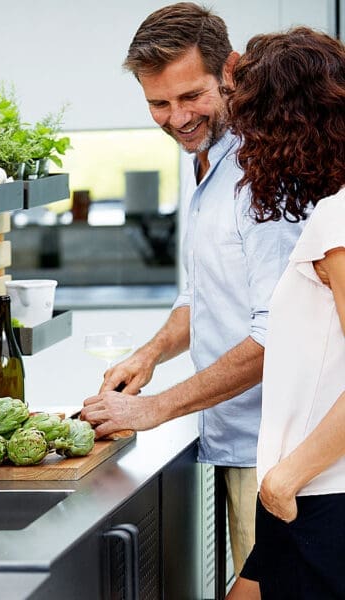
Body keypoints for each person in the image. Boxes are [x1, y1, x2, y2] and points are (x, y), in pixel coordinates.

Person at [80, 2, 304, 575]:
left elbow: (277, 334)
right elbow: (201, 294)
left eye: (191, 96)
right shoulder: (204, 159)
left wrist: (155, 409)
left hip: (279, 455)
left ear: (229, 70)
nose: (177, 117)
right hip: (234, 444)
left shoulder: (263, 173)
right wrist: (150, 354)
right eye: (159, 102)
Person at [223, 27, 345, 599]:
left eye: (251, 128)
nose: (245, 147)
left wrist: (285, 478)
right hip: (300, 484)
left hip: (317, 492)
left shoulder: (338, 221)